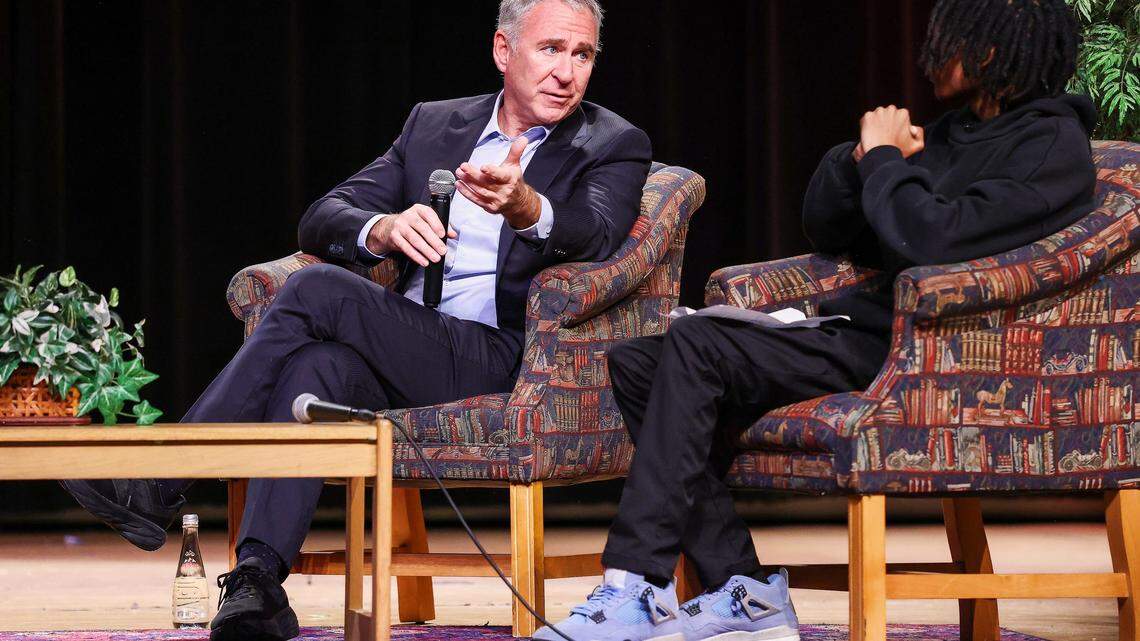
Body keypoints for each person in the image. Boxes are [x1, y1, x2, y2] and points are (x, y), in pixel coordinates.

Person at [59, 1, 650, 640]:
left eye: (582, 54)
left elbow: (597, 232)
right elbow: (324, 214)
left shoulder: (612, 142)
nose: (567, 71)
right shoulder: (436, 125)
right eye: (551, 49)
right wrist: (384, 227)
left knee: (318, 291)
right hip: (413, 346)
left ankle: (157, 476)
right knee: (315, 370)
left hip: (511, 358)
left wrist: (526, 205)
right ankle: (258, 583)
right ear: (504, 52)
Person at [535, 1, 1096, 640]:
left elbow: (932, 241)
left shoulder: (1052, 147)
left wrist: (889, 162)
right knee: (640, 360)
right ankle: (741, 591)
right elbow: (832, 230)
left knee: (695, 342)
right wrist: (860, 159)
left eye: (952, 42)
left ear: (993, 53)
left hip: (944, 354)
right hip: (872, 336)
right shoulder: (950, 134)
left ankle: (635, 582)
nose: (932, 56)